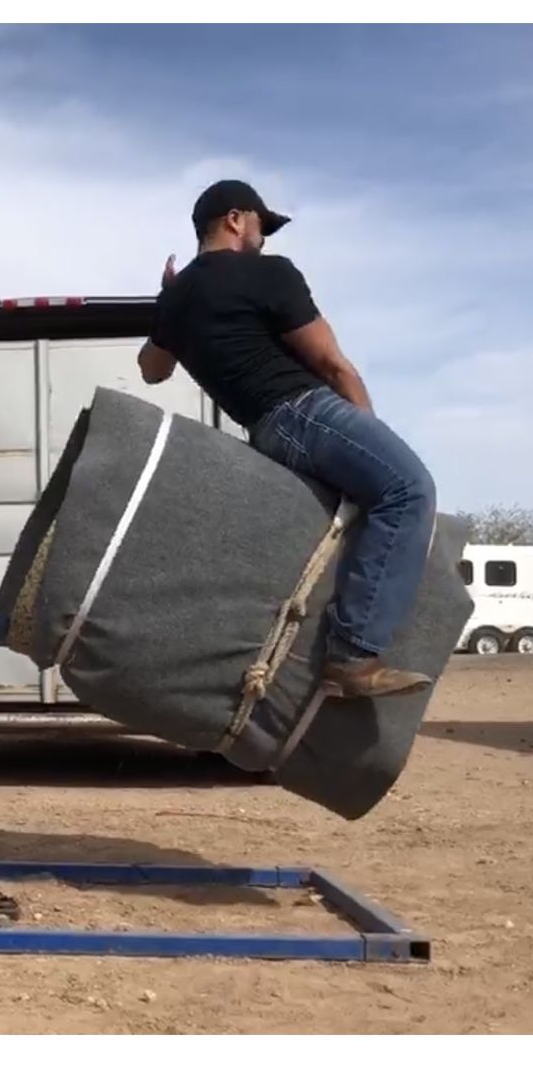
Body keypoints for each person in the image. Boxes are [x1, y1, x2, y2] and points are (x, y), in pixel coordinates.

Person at [139, 180, 437, 700]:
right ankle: (353, 656)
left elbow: (151, 370)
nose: (264, 237)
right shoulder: (268, 273)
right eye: (260, 225)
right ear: (235, 219)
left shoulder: (178, 297)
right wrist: (371, 434)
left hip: (264, 432)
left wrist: (169, 304)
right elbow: (332, 364)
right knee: (408, 489)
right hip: (304, 410)